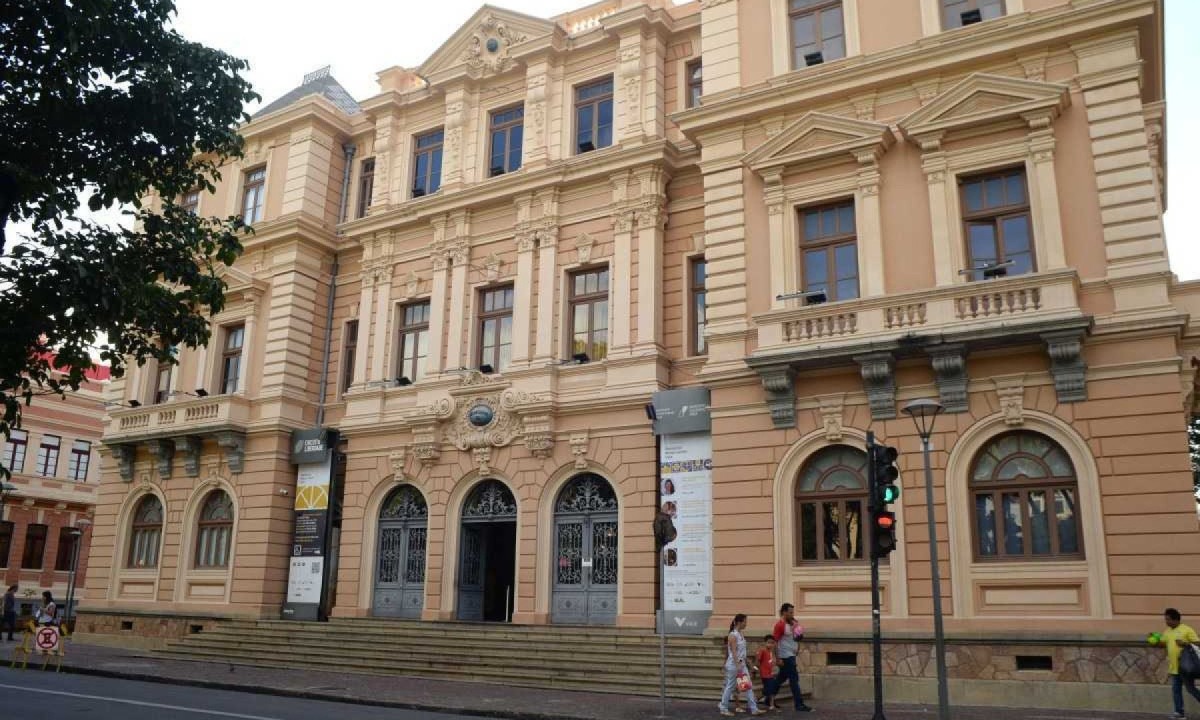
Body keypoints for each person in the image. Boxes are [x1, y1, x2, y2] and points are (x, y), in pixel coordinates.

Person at [1153, 608, 1200, 719]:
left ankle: (1179, 712)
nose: (1166, 622)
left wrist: (1185, 643)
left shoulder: (1186, 629)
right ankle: (1179, 713)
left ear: (1175, 620)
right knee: (1176, 690)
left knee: (1191, 689)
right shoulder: (1168, 631)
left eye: (1168, 619)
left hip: (1185, 667)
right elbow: (1163, 642)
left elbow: (1197, 643)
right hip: (1174, 668)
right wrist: (1154, 640)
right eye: (1166, 619)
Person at [719, 614, 765, 717]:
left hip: (741, 665)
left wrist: (749, 663)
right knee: (730, 686)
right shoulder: (732, 635)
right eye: (745, 621)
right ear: (740, 622)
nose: (746, 624)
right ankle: (723, 708)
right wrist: (737, 664)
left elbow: (742, 653)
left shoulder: (740, 634)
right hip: (733, 665)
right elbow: (734, 652)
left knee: (748, 686)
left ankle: (754, 709)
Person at [772, 603, 813, 713]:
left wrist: (798, 634)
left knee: (781, 678)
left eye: (792, 612)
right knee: (794, 680)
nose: (792, 614)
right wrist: (777, 658)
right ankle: (799, 704)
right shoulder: (780, 625)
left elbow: (798, 638)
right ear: (784, 612)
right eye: (790, 612)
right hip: (785, 656)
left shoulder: (794, 623)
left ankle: (767, 697)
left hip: (792, 654)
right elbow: (775, 642)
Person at [755, 634, 781, 711]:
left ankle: (771, 704)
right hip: (765, 674)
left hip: (772, 674)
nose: (770, 644)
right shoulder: (762, 650)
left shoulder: (772, 652)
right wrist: (755, 669)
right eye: (769, 642)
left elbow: (774, 662)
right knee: (767, 690)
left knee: (771, 689)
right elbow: (758, 661)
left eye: (772, 643)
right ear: (765, 642)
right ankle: (756, 699)